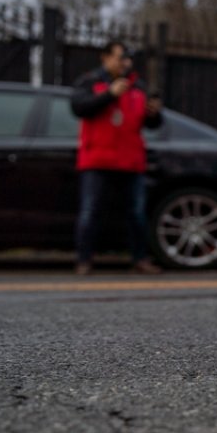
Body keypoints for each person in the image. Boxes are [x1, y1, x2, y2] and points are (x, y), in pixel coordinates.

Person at [70, 40, 164, 276]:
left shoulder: (138, 86)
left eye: (128, 59)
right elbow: (79, 107)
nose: (126, 63)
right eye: (121, 57)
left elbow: (152, 124)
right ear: (106, 58)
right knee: (90, 211)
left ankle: (140, 258)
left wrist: (154, 113)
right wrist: (110, 95)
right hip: (97, 158)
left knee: (137, 213)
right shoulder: (90, 81)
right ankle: (84, 260)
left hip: (130, 159)